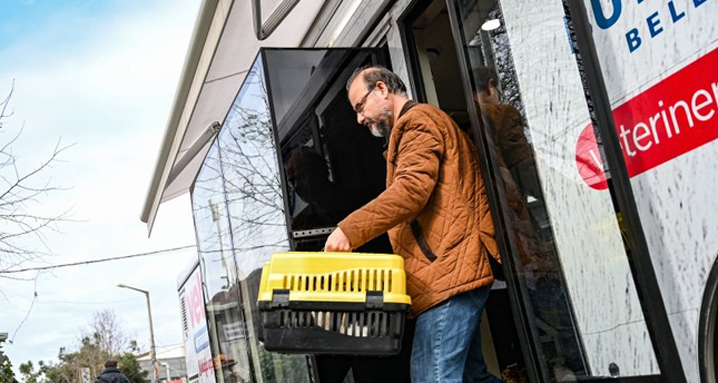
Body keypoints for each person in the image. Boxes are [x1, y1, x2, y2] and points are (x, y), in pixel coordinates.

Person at [324, 65, 502, 383]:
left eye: (359, 107)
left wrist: (348, 229)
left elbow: (410, 191)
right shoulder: (411, 129)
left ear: (381, 89)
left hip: (450, 272)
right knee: (472, 377)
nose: (359, 119)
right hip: (448, 271)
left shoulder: (417, 122)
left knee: (430, 377)